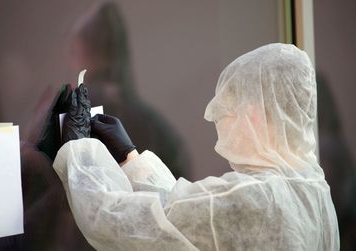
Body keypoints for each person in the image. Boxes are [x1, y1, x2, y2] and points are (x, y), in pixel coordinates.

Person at [54, 43, 339, 250]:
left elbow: (115, 221)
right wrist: (131, 158)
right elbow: (184, 219)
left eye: (226, 112)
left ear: (252, 114)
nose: (219, 123)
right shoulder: (313, 191)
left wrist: (80, 151)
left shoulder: (257, 198)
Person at [68, 1, 191, 179]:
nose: (70, 60)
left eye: (74, 50)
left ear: (86, 51)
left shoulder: (75, 119)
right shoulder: (158, 129)